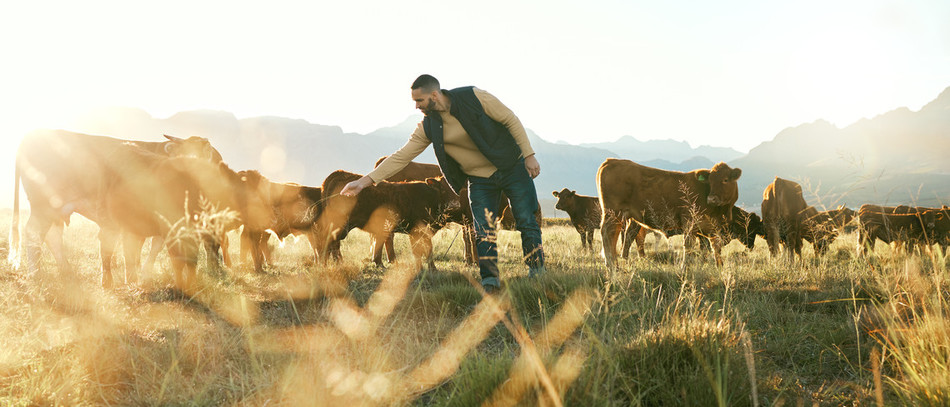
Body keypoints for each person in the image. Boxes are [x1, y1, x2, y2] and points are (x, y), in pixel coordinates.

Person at [340, 74, 546, 293]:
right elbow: (402, 156)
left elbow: (509, 119)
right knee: (483, 229)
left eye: (419, 101)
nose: (417, 106)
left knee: (526, 219)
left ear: (434, 95)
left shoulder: (474, 96)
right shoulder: (428, 127)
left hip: (511, 167)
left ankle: (536, 272)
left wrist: (529, 155)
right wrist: (364, 181)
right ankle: (490, 281)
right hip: (479, 180)